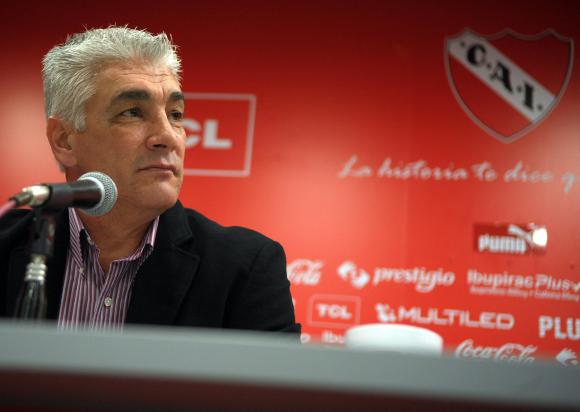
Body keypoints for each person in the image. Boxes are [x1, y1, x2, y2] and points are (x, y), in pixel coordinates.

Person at [0, 26, 300, 335]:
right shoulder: (6, 243)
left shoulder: (245, 268)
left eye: (175, 114)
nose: (168, 136)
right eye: (132, 112)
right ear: (64, 140)